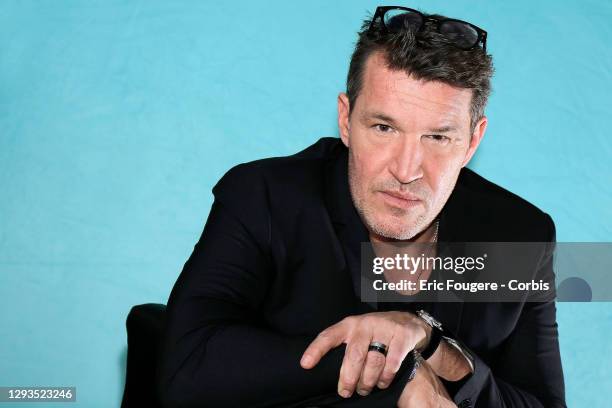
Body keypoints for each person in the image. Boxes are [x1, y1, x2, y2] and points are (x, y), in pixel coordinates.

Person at [158, 6, 565, 407]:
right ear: (345, 119)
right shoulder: (264, 198)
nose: (407, 170)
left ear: (473, 141)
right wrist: (397, 374)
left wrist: (436, 346)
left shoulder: (520, 237)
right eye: (384, 128)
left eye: (438, 138)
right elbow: (184, 370)